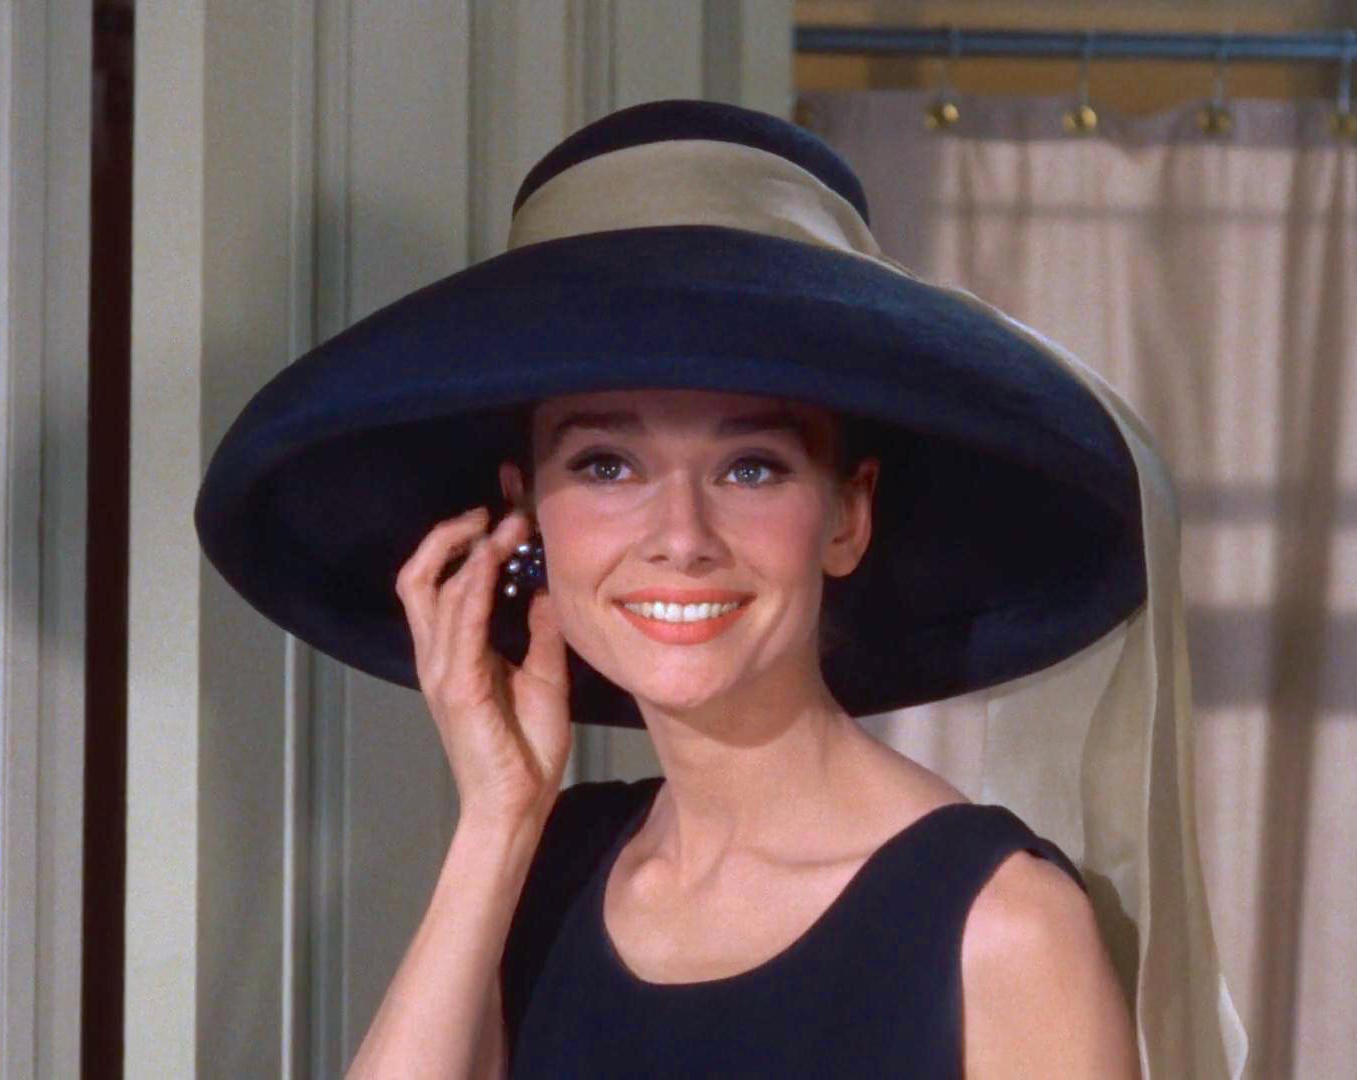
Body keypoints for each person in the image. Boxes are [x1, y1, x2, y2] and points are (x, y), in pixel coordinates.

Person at [195, 99, 1245, 1077]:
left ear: (846, 517)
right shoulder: (543, 871)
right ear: (526, 513)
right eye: (606, 465)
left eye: (751, 468)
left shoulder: (1003, 929)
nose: (681, 538)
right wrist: (497, 820)